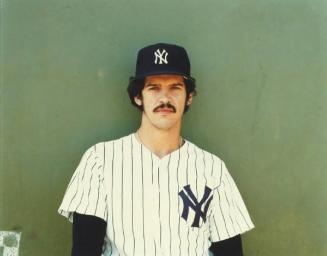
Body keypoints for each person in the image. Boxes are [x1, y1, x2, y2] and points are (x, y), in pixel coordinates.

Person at [58, 42, 255, 256]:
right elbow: (85, 250)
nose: (164, 98)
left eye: (175, 87)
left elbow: (231, 253)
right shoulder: (100, 160)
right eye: (153, 88)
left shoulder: (212, 168)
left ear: (188, 97)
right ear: (138, 96)